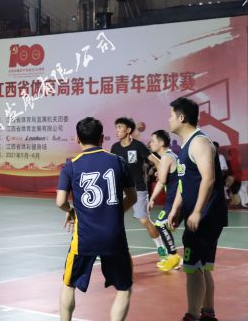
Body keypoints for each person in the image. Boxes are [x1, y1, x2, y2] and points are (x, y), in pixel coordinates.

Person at [57, 117, 136, 321]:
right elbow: (132, 197)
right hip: (114, 237)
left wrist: (72, 211)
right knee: (124, 288)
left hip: (84, 238)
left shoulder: (71, 166)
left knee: (68, 285)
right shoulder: (118, 161)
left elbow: (60, 202)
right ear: (102, 138)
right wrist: (113, 212)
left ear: (77, 139)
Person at [166, 97, 228, 321]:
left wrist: (197, 211)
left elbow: (208, 179)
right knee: (202, 266)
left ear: (181, 117)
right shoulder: (186, 145)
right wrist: (176, 208)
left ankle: (191, 315)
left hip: (206, 216)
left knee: (191, 267)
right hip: (200, 215)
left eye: (171, 115)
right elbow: (184, 183)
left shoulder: (199, 142)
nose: (169, 119)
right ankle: (208, 313)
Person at [110, 117, 165, 259]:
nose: (117, 130)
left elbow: (157, 161)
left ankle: (161, 247)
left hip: (138, 189)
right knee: (112, 218)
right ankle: (111, 248)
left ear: (128, 130)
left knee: (144, 220)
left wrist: (161, 173)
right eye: (116, 128)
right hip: (120, 189)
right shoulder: (115, 148)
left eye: (120, 127)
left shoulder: (138, 146)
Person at [147, 130, 182, 272]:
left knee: (160, 224)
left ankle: (174, 257)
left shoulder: (166, 157)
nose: (150, 143)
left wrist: (151, 199)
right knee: (165, 225)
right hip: (175, 198)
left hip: (174, 199)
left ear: (161, 143)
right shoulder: (171, 156)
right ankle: (173, 257)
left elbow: (161, 182)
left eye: (153, 141)